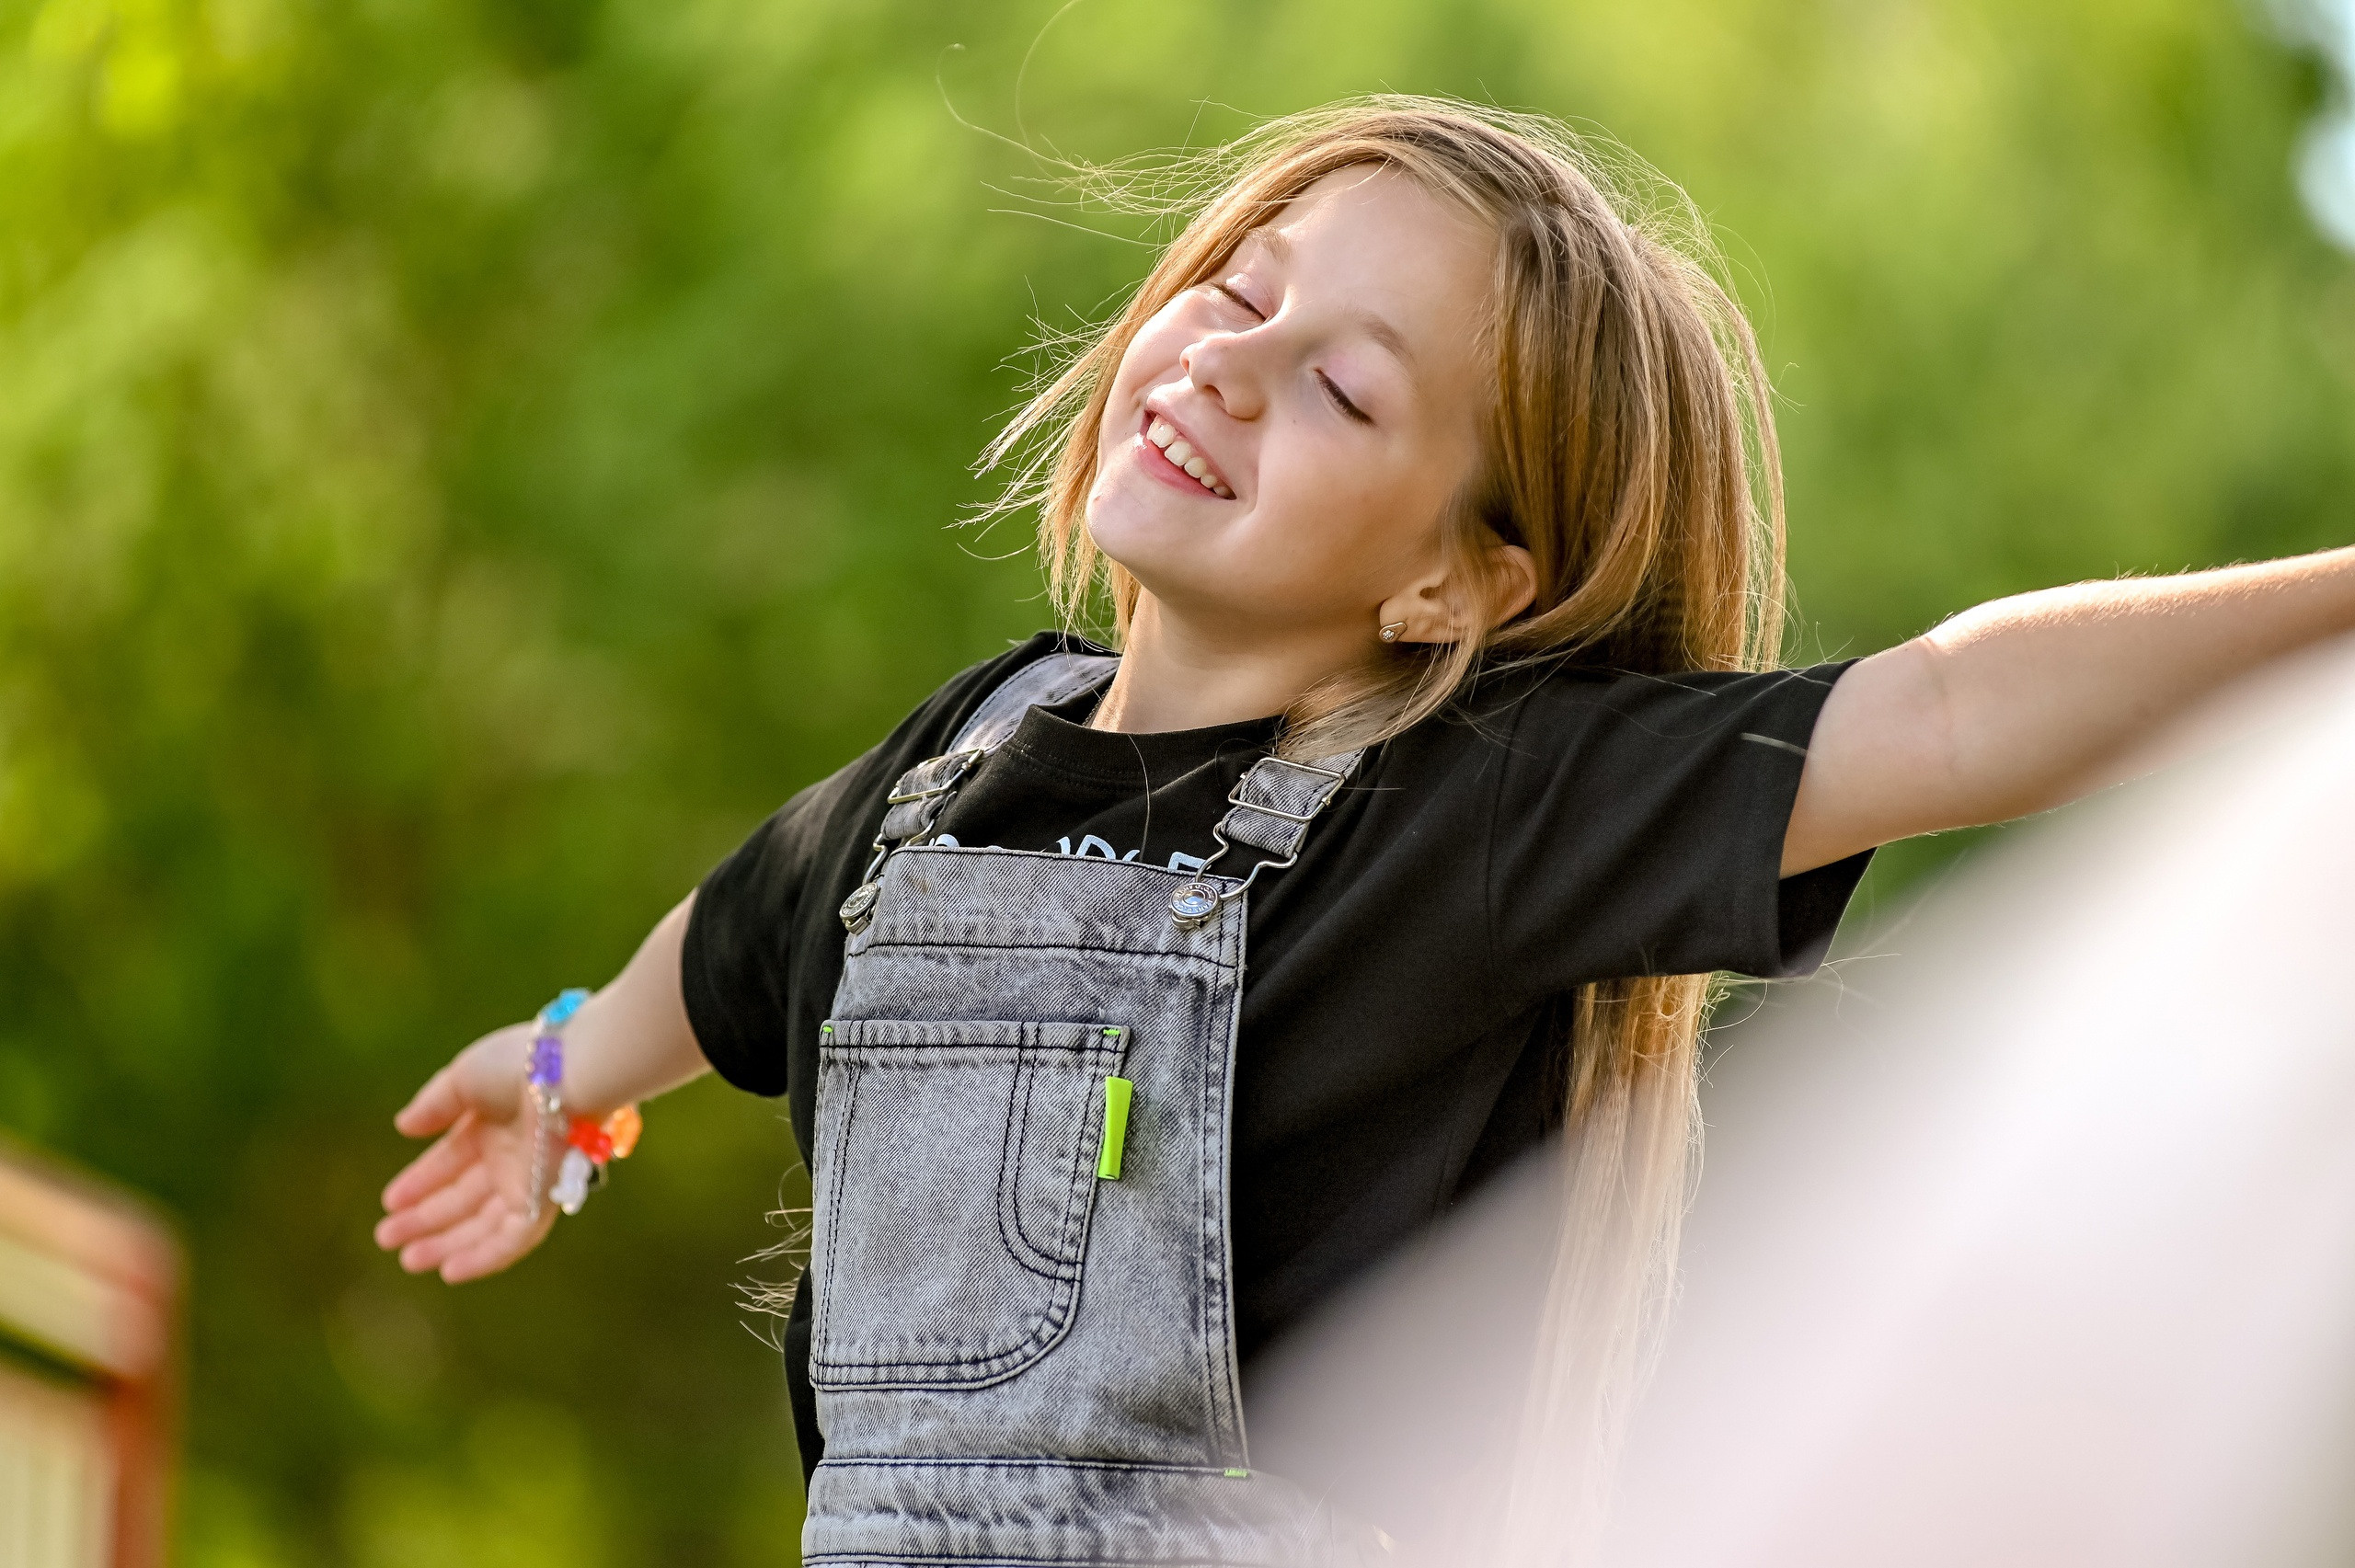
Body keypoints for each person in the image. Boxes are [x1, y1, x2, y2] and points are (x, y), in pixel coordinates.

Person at [373, 98, 2355, 1564]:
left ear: (1451, 586)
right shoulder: (942, 773)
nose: (1226, 360)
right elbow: (731, 941)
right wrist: (557, 1073)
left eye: (1334, 386)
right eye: (1236, 291)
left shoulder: (1477, 805)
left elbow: (1937, 705)